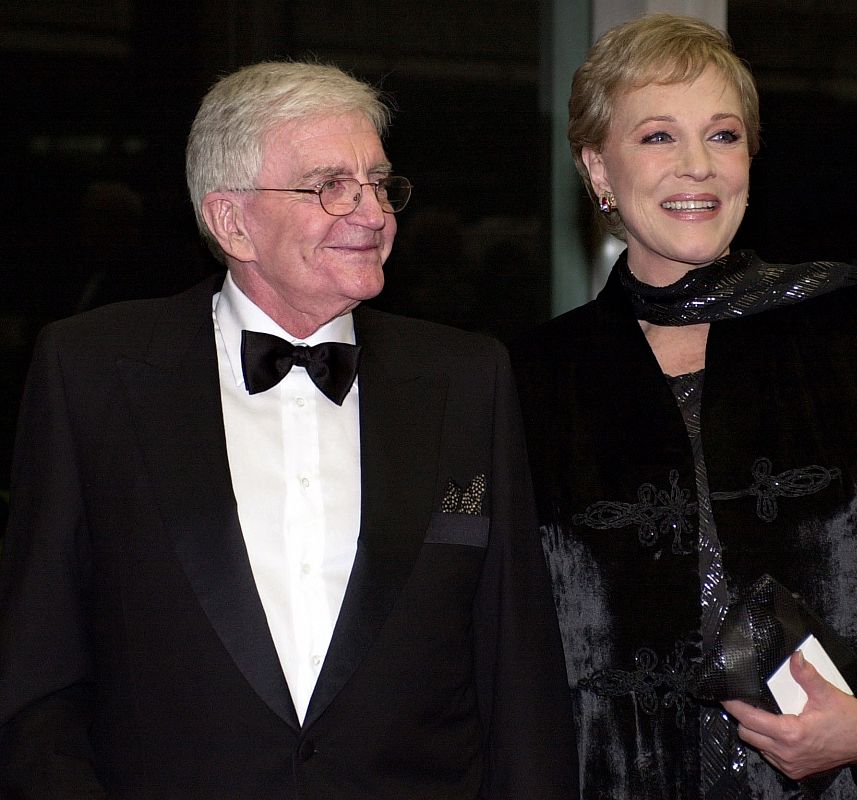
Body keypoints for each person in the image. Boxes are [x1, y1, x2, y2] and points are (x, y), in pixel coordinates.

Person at [0, 61, 577, 799]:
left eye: (379, 183)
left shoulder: (466, 378)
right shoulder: (91, 370)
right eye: (330, 185)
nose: (371, 213)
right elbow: (38, 670)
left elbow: (515, 668)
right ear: (231, 220)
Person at [510, 14, 857, 800]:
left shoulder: (852, 322)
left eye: (723, 135)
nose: (696, 166)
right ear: (597, 166)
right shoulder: (529, 375)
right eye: (658, 136)